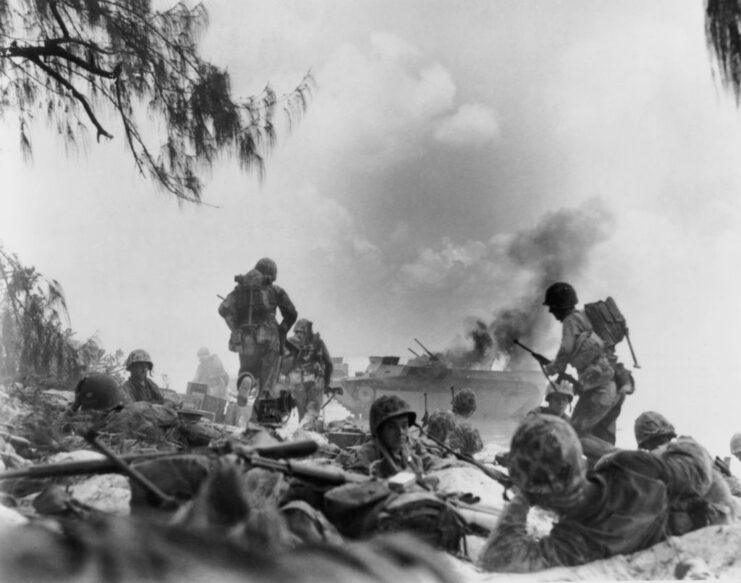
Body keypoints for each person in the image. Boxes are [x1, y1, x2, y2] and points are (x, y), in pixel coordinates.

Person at [478, 414, 715, 573]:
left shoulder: (571, 543)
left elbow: (497, 558)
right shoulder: (635, 469)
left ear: (540, 498)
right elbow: (698, 467)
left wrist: (524, 496)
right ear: (580, 464)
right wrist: (663, 453)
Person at [539, 282, 624, 465]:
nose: (551, 312)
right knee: (597, 436)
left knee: (573, 433)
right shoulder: (587, 318)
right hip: (612, 386)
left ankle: (625, 458)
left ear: (560, 306)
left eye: (552, 307)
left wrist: (553, 368)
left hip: (598, 389)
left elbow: (566, 349)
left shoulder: (571, 320)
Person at [634, 410, 738, 526]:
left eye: (651, 446)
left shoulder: (682, 454)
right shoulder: (684, 452)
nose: (651, 451)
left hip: (715, 517)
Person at [218, 257, 297, 405]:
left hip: (245, 336)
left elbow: (223, 309)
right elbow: (291, 313)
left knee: (247, 368)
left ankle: (247, 379)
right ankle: (262, 419)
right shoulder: (274, 290)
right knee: (268, 380)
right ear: (271, 273)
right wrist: (282, 330)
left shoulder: (240, 289)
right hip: (269, 337)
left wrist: (235, 327)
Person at [345, 395, 438, 479]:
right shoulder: (369, 452)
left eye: (404, 426)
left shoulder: (412, 445)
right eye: (391, 427)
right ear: (379, 430)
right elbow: (356, 480)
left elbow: (433, 464)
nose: (400, 432)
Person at [285, 319, 336, 423]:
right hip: (315, 381)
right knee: (311, 413)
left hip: (297, 382)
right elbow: (329, 364)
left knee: (303, 414)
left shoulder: (290, 342)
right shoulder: (318, 342)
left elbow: (283, 364)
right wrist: (326, 384)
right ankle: (308, 432)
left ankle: (304, 433)